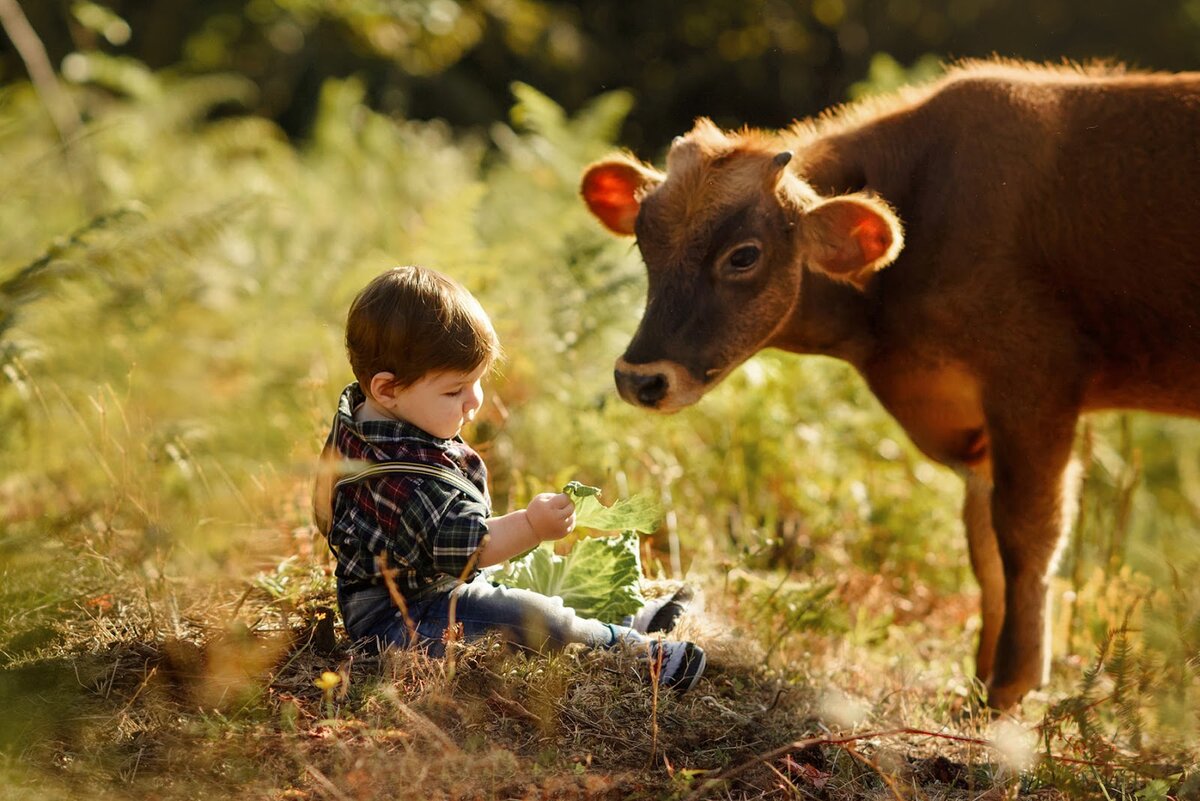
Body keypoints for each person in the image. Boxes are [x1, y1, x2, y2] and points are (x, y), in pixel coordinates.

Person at [313, 265, 705, 691]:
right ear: (386, 389)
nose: (474, 401)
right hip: (402, 619)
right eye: (454, 390)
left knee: (524, 578)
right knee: (530, 617)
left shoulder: (362, 414)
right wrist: (532, 525)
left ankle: (628, 612)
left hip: (432, 577)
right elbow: (475, 551)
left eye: (477, 382)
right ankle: (628, 650)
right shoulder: (405, 483)